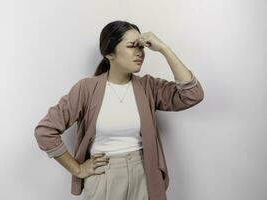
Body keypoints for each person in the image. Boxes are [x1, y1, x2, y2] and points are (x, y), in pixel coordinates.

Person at [34, 20, 204, 200]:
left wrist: (164, 49)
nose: (139, 53)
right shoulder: (86, 89)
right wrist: (77, 169)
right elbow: (45, 131)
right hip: (104, 177)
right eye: (132, 46)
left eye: (142, 47)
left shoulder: (149, 87)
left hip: (145, 176)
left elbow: (193, 94)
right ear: (109, 53)